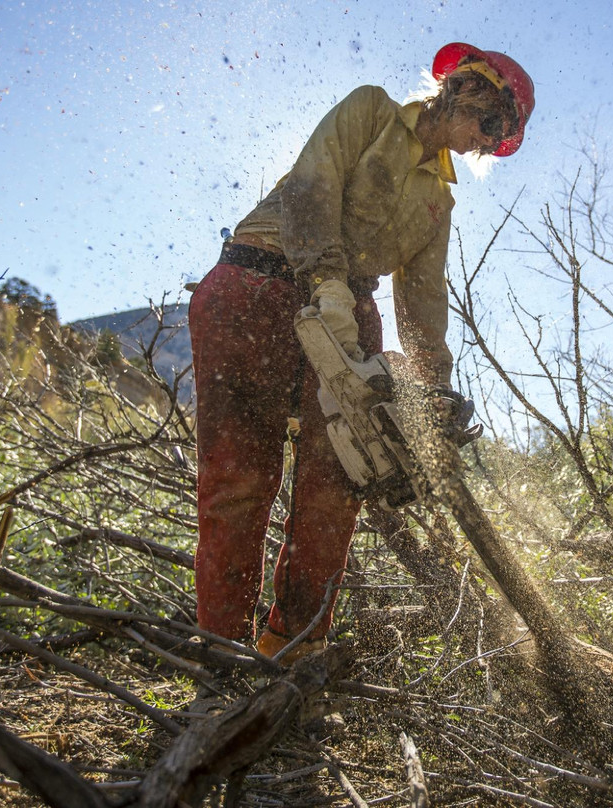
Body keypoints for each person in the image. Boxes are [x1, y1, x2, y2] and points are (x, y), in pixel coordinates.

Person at [188, 43, 535, 661]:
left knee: (335, 488)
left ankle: (290, 649)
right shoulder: (371, 111)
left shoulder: (439, 202)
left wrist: (432, 388)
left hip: (349, 315)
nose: (486, 143)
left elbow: (423, 305)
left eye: (499, 139)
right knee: (239, 478)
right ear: (471, 87)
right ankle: (219, 655)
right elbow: (310, 186)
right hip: (258, 282)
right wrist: (324, 280)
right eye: (496, 125)